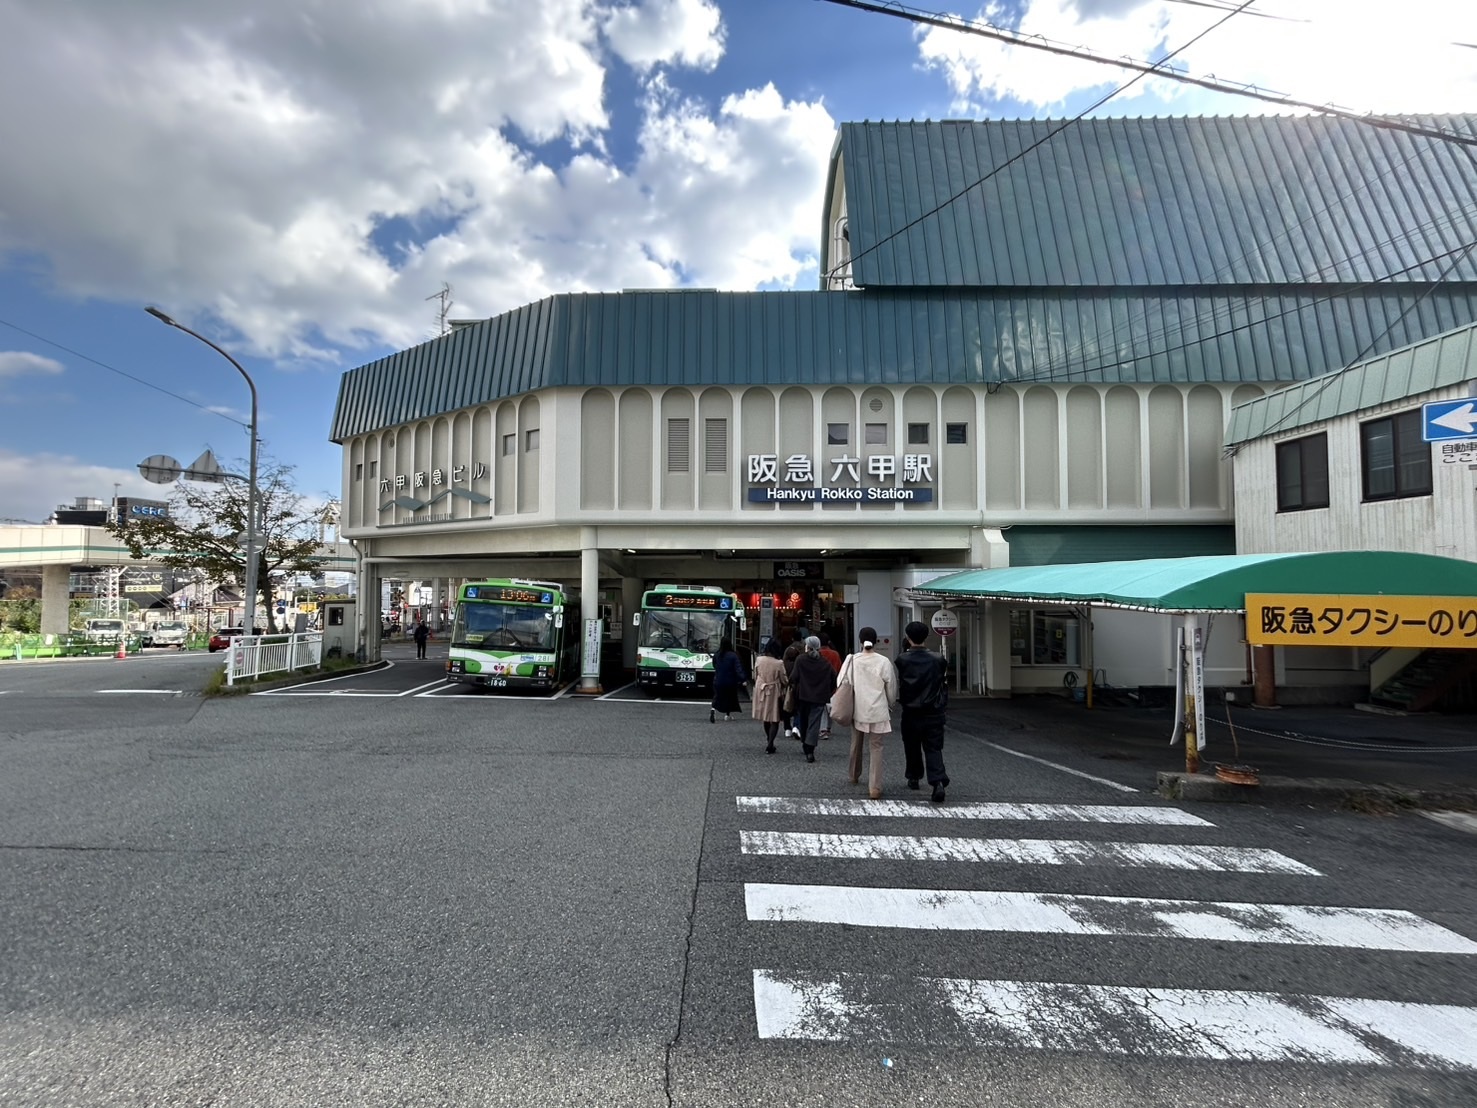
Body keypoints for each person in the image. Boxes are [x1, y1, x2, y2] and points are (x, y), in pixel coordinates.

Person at [895, 620, 951, 803]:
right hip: (934, 711)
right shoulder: (938, 660)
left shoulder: (902, 660)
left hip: (911, 711)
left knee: (911, 745)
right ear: (926, 637)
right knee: (934, 747)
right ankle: (937, 782)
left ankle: (914, 776)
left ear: (908, 637)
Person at [844, 626, 898, 799]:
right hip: (878, 709)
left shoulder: (853, 660)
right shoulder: (883, 661)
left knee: (856, 743)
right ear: (875, 641)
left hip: (858, 708)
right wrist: (891, 703)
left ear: (860, 641)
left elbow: (843, 682)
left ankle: (853, 774)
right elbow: (891, 688)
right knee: (876, 747)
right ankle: (874, 787)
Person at [790, 636, 837, 763]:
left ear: (808, 646)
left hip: (803, 696)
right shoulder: (825, 663)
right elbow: (834, 678)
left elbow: (794, 677)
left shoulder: (801, 660)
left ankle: (806, 744)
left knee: (804, 721)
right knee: (814, 723)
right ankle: (810, 748)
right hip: (819, 697)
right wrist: (828, 690)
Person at [750, 637, 788, 753]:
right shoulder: (779, 663)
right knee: (774, 718)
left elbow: (755, 674)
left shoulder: (759, 660)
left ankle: (768, 739)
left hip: (761, 688)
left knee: (766, 717)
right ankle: (770, 743)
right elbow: (784, 679)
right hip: (773, 689)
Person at [710, 637, 747, 723]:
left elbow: (714, 665)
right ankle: (727, 715)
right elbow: (738, 669)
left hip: (718, 680)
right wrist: (743, 679)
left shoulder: (717, 654)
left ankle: (713, 710)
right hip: (730, 681)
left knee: (717, 696)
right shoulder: (733, 655)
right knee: (729, 698)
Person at [781, 628, 808, 738]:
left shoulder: (787, 651)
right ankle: (797, 726)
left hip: (788, 684)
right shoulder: (803, 650)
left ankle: (787, 728)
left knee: (787, 705)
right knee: (799, 706)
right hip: (800, 684)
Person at [816, 633, 843, 740]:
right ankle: (828, 727)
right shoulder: (835, 654)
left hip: (819, 682)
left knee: (822, 706)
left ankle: (823, 729)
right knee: (830, 705)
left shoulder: (818, 654)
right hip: (833, 682)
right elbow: (840, 668)